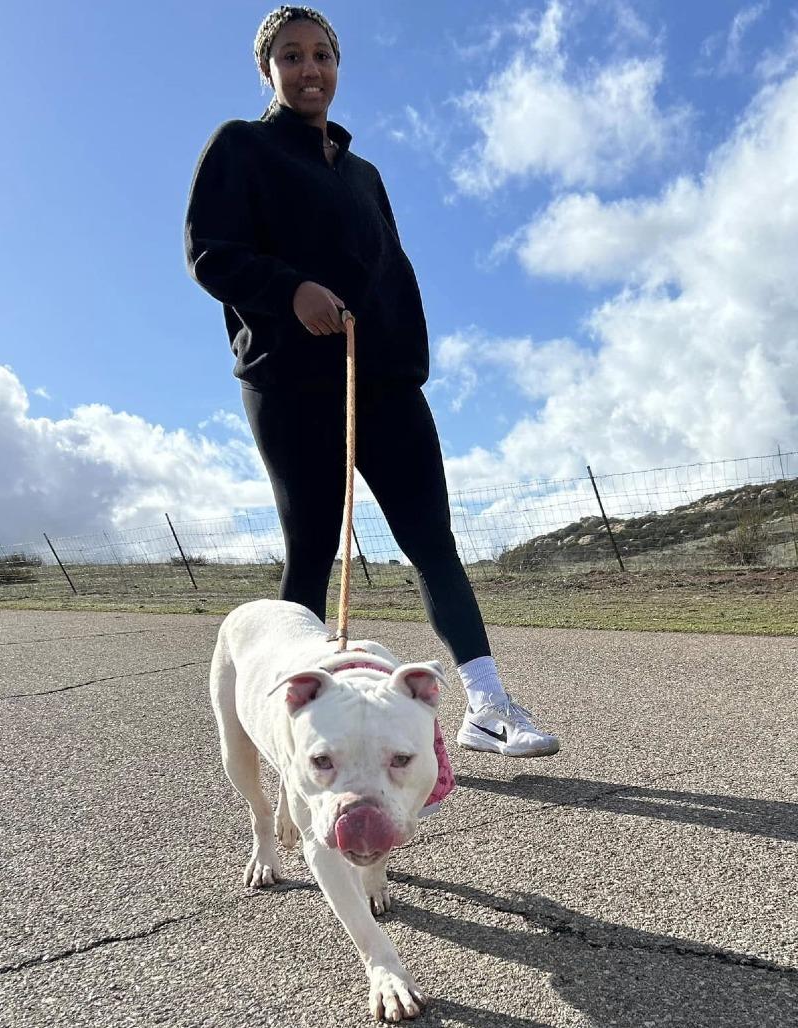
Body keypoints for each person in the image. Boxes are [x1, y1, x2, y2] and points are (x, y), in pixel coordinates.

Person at [185, 5, 558, 758]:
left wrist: (405, 360)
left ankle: (487, 705)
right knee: (313, 548)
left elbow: (393, 270)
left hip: (381, 381)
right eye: (290, 56)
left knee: (432, 540)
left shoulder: (364, 174)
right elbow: (209, 253)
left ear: (337, 64)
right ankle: (293, 727)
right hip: (289, 382)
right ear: (268, 70)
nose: (309, 68)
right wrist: (291, 289)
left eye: (322, 54)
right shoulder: (242, 147)